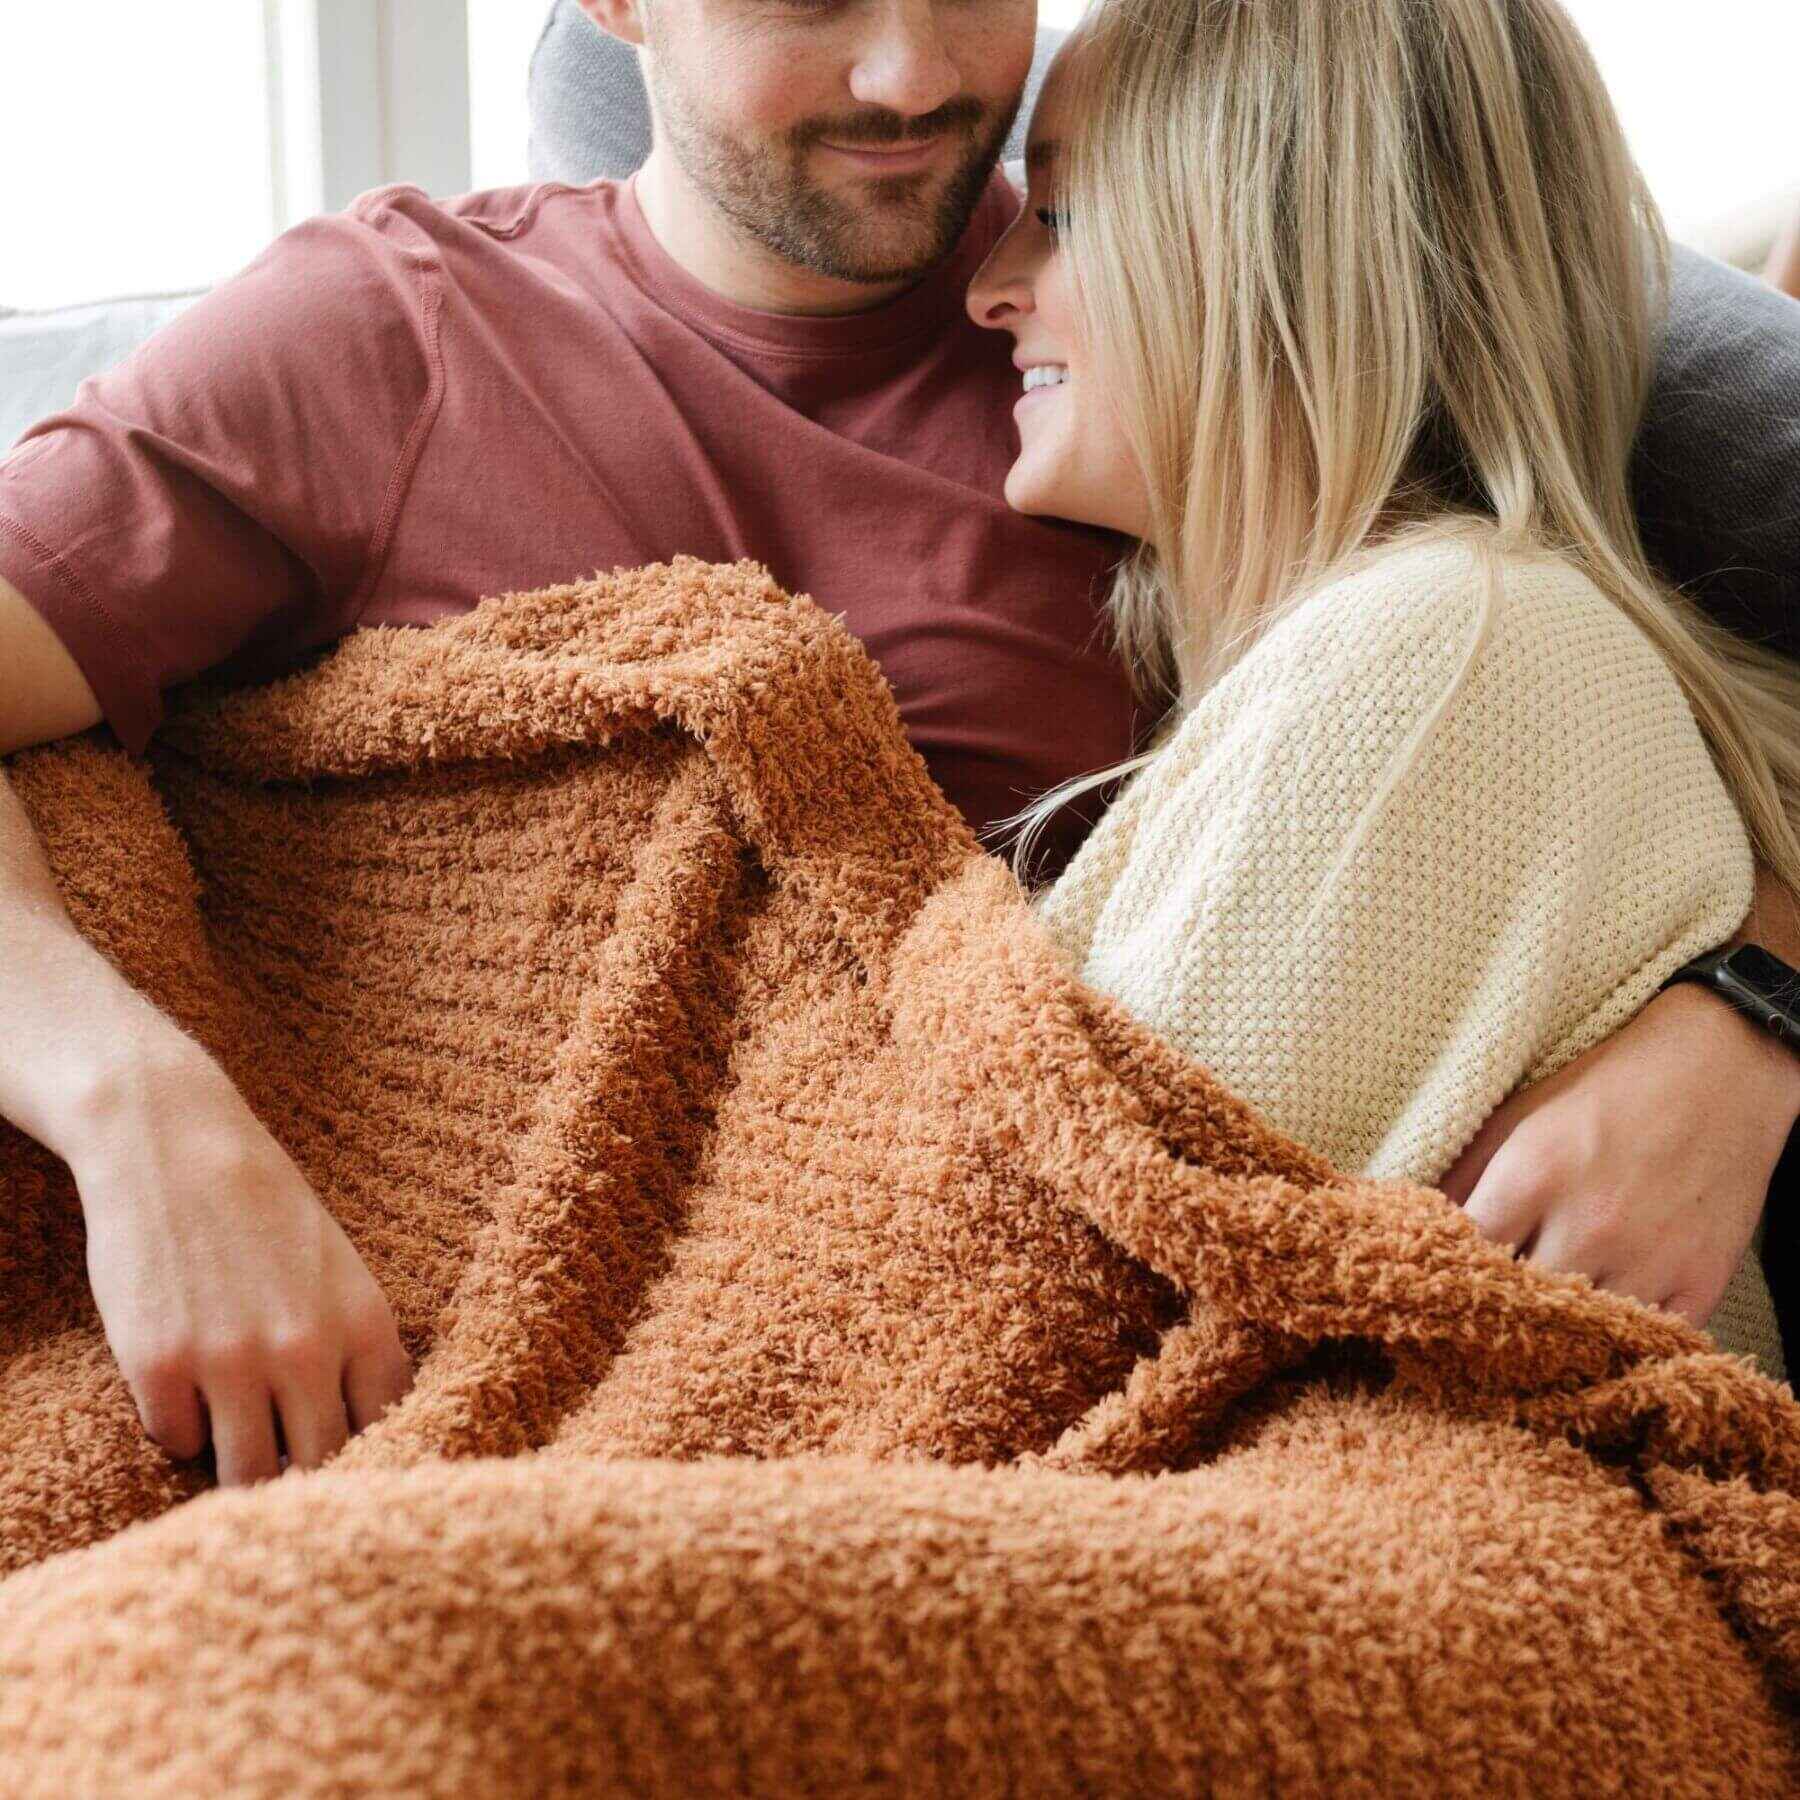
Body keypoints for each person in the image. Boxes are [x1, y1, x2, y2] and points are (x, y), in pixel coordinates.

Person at [0, 0, 1797, 1486]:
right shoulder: (385, 337)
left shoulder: (1185, 339)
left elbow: (1563, 695)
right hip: (484, 1347)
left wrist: (1756, 1009)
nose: (914, 76)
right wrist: (140, 1110)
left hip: (914, 1396)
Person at [967, 0, 1800, 1376]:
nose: (987, 287)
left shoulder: (1448, 649)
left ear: (1270, 247)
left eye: (1060, 213)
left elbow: (1017, 1319)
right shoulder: (1428, 641)